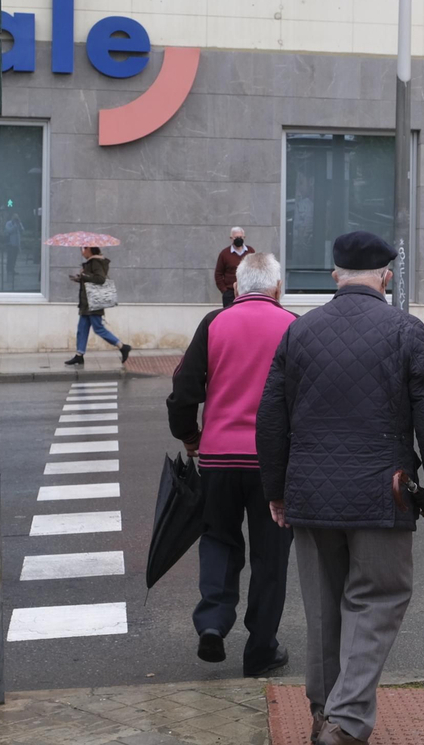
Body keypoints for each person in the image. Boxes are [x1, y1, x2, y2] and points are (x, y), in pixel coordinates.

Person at [255, 231, 424, 745]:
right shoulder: (406, 330)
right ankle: (345, 720)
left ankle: (325, 714)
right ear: (385, 277)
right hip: (381, 492)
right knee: (378, 598)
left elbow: (271, 416)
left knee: (323, 605)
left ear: (335, 276)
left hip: (310, 492)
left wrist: (276, 490)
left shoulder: (300, 331)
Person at [165, 253, 296, 677]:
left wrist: (190, 436)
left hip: (219, 456)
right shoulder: (294, 326)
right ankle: (261, 650)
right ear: (277, 288)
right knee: (271, 555)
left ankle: (213, 622)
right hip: (273, 463)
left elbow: (183, 389)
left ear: (236, 287)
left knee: (218, 539)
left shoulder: (214, 323)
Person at [64, 246, 131, 367]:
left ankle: (122, 346)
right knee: (82, 329)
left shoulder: (96, 262)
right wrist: (80, 278)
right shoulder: (91, 262)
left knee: (98, 328)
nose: (82, 252)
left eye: (83, 249)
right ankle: (79, 355)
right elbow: (91, 279)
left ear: (89, 249)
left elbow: (100, 279)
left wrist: (84, 275)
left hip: (94, 303)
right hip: (87, 303)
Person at [215, 227, 253, 309]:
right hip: (230, 294)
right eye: (236, 237)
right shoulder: (224, 254)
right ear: (231, 238)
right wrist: (224, 290)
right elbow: (218, 274)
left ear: (244, 237)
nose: (238, 239)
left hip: (247, 292)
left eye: (240, 237)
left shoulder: (250, 251)